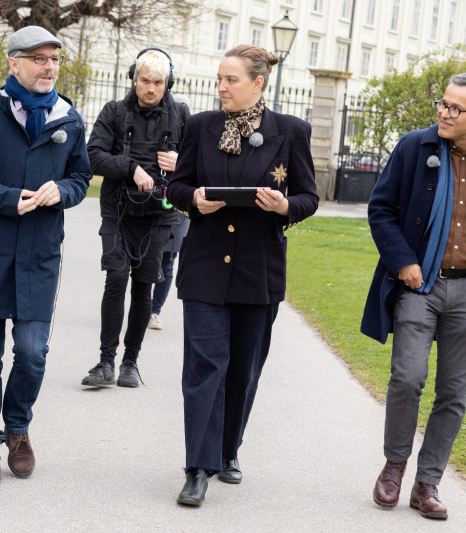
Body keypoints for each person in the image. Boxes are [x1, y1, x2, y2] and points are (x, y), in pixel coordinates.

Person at [362, 73, 466, 519]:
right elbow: (380, 209)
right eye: (443, 103)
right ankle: (394, 466)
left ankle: (428, 483)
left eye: (456, 108)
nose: (444, 112)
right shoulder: (413, 147)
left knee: (453, 393)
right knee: (408, 377)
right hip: (420, 283)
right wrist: (403, 262)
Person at [166, 44, 318, 506]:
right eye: (219, 79)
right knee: (204, 368)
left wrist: (285, 206)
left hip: (259, 270)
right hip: (207, 267)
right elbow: (176, 185)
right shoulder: (199, 126)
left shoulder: (290, 132)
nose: (221, 88)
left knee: (244, 369)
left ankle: (228, 451)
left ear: (258, 84)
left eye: (231, 80)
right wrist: (194, 200)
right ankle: (197, 467)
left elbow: (309, 196)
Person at [0, 26, 92, 483]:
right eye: (38, 58)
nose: (49, 67)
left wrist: (61, 191)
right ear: (14, 63)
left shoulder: (69, 119)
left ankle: (19, 429)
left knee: (32, 353)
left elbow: (81, 178)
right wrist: (9, 197)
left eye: (54, 59)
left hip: (40, 254)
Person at [81, 48, 189, 388]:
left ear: (167, 81)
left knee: (145, 286)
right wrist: (131, 168)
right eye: (145, 81)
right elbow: (93, 156)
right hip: (118, 209)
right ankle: (105, 361)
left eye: (158, 82)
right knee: (116, 277)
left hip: (159, 215)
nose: (151, 89)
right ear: (134, 77)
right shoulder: (113, 112)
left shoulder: (183, 115)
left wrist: (180, 162)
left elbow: (201, 165)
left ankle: (130, 362)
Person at [148, 93, 192, 331]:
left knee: (167, 261)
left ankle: (154, 311)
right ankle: (143, 306)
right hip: (151, 203)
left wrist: (181, 162)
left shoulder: (192, 145)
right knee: (147, 259)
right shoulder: (154, 136)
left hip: (179, 207)